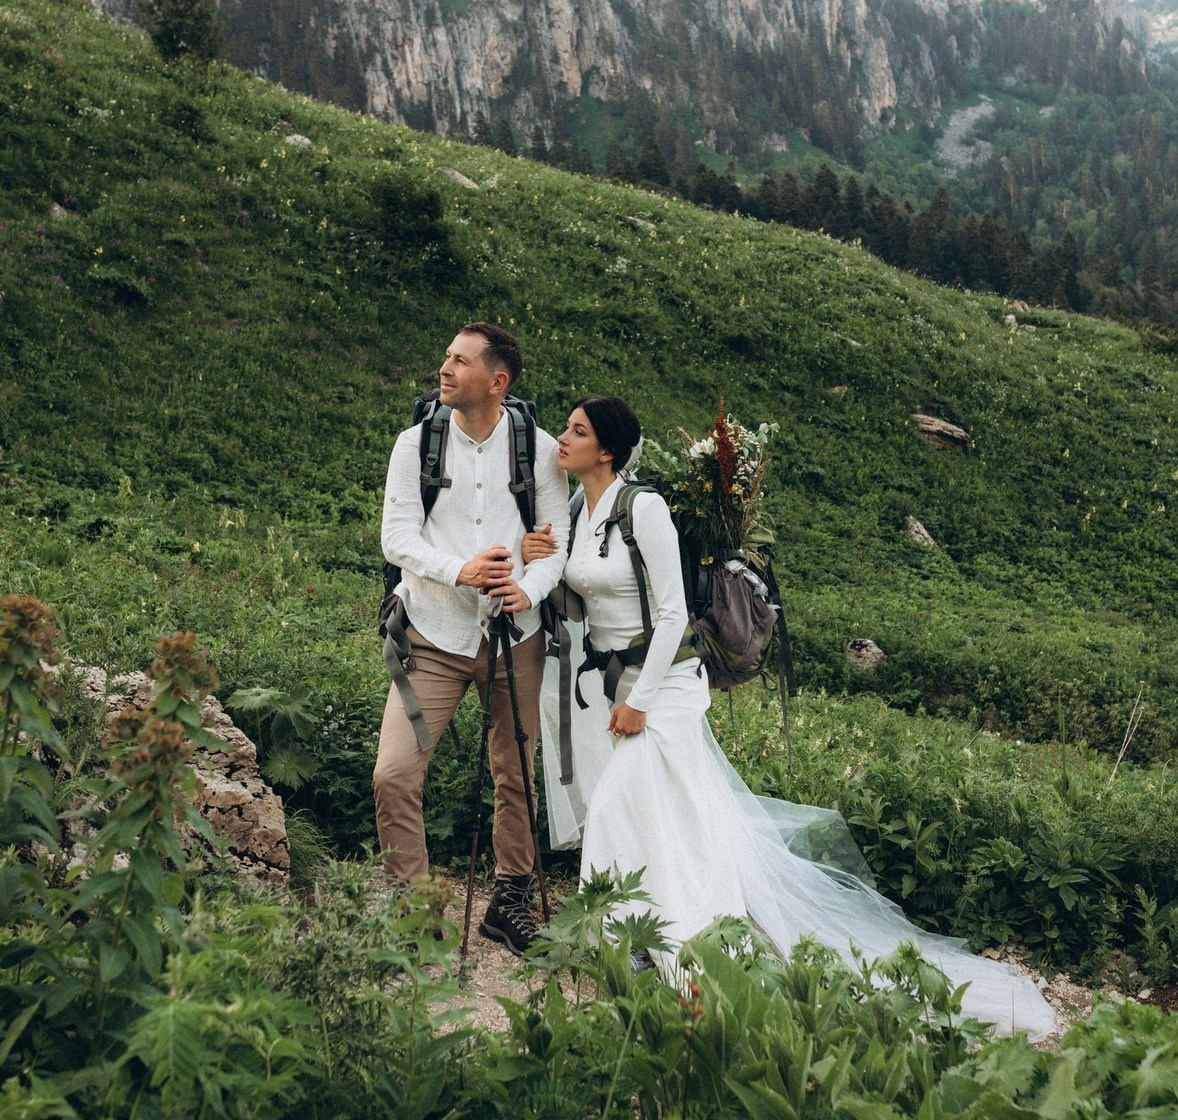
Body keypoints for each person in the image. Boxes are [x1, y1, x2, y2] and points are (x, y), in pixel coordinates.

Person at [528, 395, 1057, 1040]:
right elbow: (582, 592)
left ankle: (630, 940)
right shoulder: (581, 511)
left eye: (577, 432)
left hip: (664, 685)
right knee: (671, 810)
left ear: (606, 450)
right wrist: (539, 559)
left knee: (611, 804)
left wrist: (641, 700)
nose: (564, 439)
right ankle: (671, 927)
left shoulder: (646, 509)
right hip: (618, 683)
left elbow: (672, 614)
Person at [375, 323, 570, 955]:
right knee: (395, 774)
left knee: (516, 775)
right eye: (446, 357)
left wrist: (529, 588)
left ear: (498, 380)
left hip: (515, 635)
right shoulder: (416, 444)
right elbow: (396, 537)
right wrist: (460, 570)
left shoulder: (538, 451)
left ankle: (509, 900)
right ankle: (415, 909)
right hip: (431, 631)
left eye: (459, 361)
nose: (445, 369)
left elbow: (554, 541)